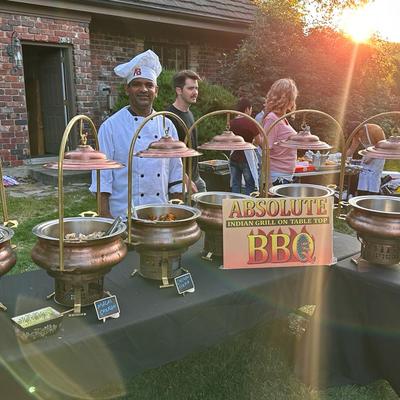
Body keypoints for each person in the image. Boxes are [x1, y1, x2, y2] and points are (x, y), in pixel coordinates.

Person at [89, 50, 183, 218]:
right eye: (137, 84)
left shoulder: (166, 125)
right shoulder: (110, 127)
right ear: (127, 89)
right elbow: (102, 177)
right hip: (123, 217)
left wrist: (176, 212)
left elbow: (176, 172)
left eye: (149, 85)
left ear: (157, 90)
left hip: (160, 214)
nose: (143, 89)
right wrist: (105, 217)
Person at [166, 70, 206, 193]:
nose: (195, 92)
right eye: (190, 88)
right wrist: (186, 180)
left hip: (196, 178)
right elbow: (169, 155)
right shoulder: (169, 117)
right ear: (179, 90)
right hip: (181, 183)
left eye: (196, 88)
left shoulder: (190, 114)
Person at [261, 78, 298, 186]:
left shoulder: (282, 118)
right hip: (276, 178)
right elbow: (265, 150)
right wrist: (268, 183)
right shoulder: (272, 119)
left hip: (283, 176)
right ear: (288, 98)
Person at [229, 98, 261, 195]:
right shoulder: (250, 122)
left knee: (235, 184)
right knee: (249, 185)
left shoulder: (231, 122)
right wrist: (253, 144)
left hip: (234, 156)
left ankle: (233, 206)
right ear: (247, 109)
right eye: (251, 109)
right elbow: (259, 140)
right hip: (247, 158)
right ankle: (247, 208)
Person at [346, 123, 385, 195]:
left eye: (357, 134)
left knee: (373, 177)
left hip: (379, 155)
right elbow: (352, 148)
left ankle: (374, 195)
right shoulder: (357, 134)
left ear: (360, 129)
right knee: (363, 175)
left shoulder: (375, 129)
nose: (357, 137)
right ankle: (362, 195)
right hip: (367, 155)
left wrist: (371, 156)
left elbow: (382, 145)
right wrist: (343, 158)